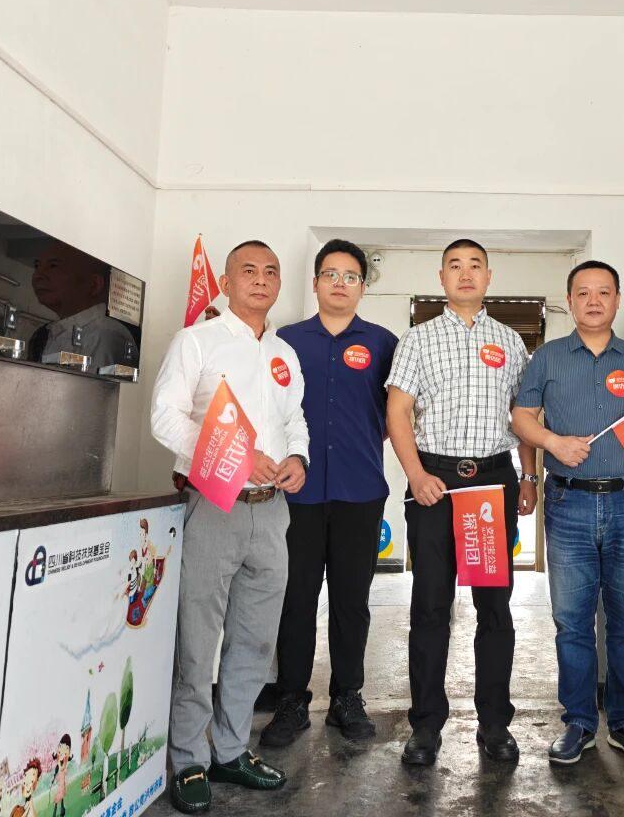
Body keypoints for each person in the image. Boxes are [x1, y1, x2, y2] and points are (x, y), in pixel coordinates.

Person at [150, 240, 309, 814]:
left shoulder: (284, 353)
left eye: (271, 271)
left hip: (273, 510)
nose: (261, 280)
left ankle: (231, 750)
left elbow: (294, 419)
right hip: (214, 504)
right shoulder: (197, 340)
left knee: (254, 639)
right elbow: (165, 417)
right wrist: (235, 456)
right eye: (249, 270)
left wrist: (299, 459)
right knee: (198, 639)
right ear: (225, 280)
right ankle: (189, 758)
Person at [512, 260, 624, 767]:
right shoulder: (547, 358)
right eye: (583, 292)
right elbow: (520, 417)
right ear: (570, 301)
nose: (594, 301)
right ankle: (579, 723)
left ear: (618, 299)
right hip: (568, 504)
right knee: (572, 622)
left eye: (604, 292)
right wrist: (552, 442)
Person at [385, 238, 538, 766]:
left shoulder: (510, 341)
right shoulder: (419, 339)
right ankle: (426, 725)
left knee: (494, 607)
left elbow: (523, 415)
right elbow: (398, 411)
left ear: (489, 277)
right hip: (436, 482)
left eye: (476, 266)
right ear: (442, 277)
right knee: (430, 606)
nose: (466, 273)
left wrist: (528, 477)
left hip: (493, 483)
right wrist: (416, 475)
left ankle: (495, 723)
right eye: (455, 265)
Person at [261, 239, 398, 747]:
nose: (340, 284)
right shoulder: (284, 341)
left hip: (360, 490)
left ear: (363, 286)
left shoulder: (384, 343)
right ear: (316, 282)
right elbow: (266, 409)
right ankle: (291, 700)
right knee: (295, 598)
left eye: (351, 276)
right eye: (331, 275)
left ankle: (347, 696)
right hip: (295, 492)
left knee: (351, 600)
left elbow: (398, 415)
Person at [29, 241, 138, 369]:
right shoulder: (44, 334)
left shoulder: (106, 334)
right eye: (37, 266)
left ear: (94, 284)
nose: (37, 276)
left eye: (53, 266)